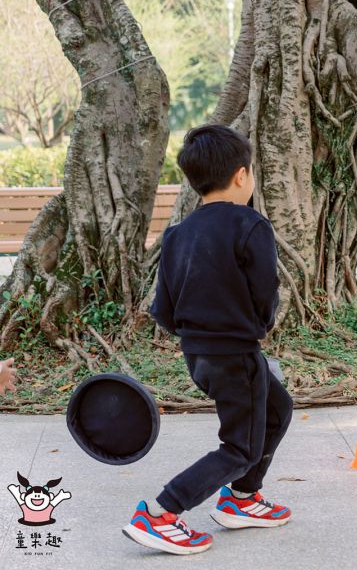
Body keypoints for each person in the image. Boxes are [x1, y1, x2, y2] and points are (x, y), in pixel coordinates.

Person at [123, 125, 293, 555]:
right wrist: (256, 325)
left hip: (198, 354)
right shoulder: (251, 225)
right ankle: (161, 512)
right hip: (237, 353)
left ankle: (241, 498)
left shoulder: (178, 234)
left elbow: (163, 306)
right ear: (241, 176)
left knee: (278, 406)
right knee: (239, 447)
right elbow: (265, 291)